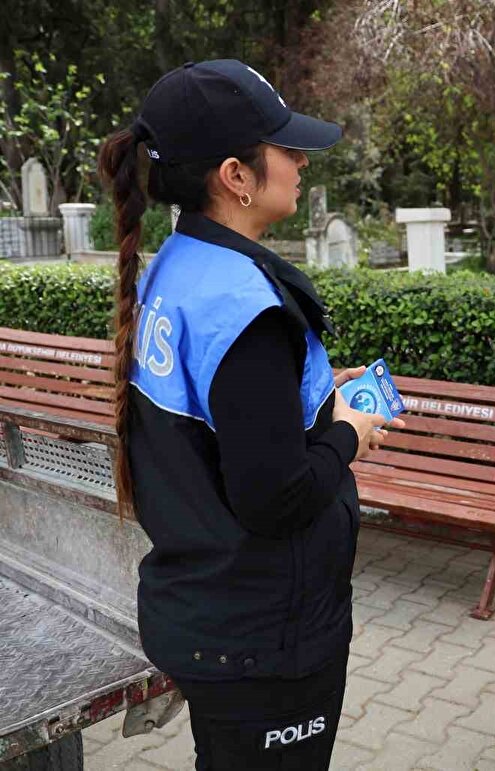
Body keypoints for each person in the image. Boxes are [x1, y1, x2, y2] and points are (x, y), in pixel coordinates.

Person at [98, 59, 402, 770]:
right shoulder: (247, 309)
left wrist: (318, 393)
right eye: (285, 147)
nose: (301, 161)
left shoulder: (179, 264)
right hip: (265, 640)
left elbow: (227, 422)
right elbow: (276, 496)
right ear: (236, 176)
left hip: (211, 615)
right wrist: (347, 433)